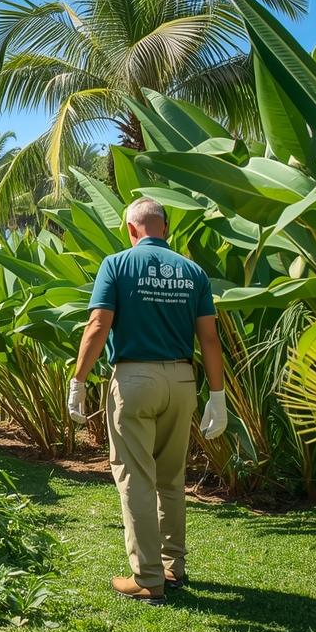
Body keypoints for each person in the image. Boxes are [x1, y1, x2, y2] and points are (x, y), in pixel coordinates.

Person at [68, 197, 229, 605]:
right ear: (166, 229)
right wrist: (217, 395)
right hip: (182, 379)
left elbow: (98, 324)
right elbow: (209, 338)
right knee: (171, 479)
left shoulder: (117, 265)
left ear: (130, 229)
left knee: (135, 477)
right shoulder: (193, 272)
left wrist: (78, 380)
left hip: (135, 377)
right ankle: (174, 566)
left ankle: (148, 578)